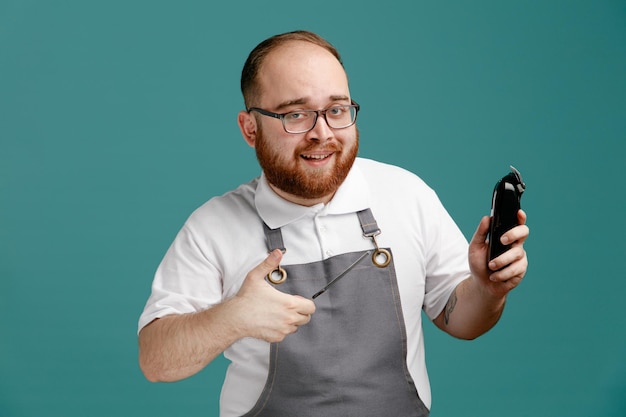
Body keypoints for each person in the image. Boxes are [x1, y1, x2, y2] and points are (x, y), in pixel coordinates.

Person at [138, 30, 529, 417]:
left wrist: (487, 288)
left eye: (336, 110)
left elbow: (459, 319)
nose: (321, 133)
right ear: (249, 128)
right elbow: (156, 362)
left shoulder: (406, 193)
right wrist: (233, 317)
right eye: (296, 114)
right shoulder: (213, 227)